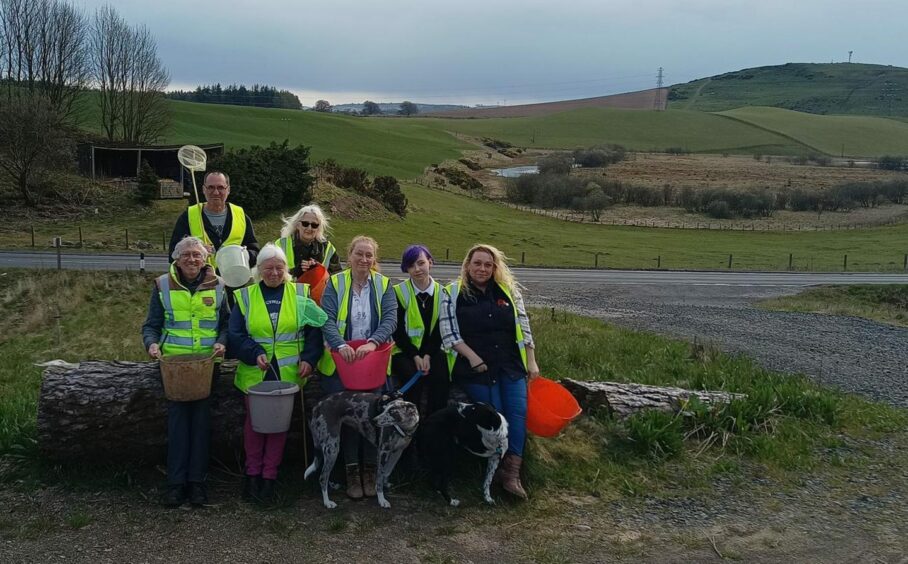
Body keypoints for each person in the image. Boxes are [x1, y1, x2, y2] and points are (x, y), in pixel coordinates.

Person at [439, 244, 540, 500]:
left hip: (509, 364)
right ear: (467, 265)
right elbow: (449, 335)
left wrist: (531, 360)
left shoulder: (508, 292)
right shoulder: (453, 292)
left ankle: (511, 474)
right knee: (496, 413)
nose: (482, 269)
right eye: (477, 263)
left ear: (495, 268)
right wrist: (473, 358)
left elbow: (523, 327)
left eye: (488, 264)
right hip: (475, 368)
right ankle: (492, 469)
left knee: (517, 412)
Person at [228, 243, 324, 504]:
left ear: (286, 270)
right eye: (268, 268)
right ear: (259, 270)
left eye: (279, 268)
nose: (274, 273)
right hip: (254, 373)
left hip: (289, 373)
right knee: (255, 426)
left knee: (278, 427)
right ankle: (252, 475)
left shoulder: (301, 293)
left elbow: (315, 330)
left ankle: (269, 478)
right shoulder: (245, 296)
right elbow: (234, 334)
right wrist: (252, 351)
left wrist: (310, 359)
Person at [141, 236, 229, 507]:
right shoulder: (162, 285)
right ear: (176, 259)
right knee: (178, 426)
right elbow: (151, 325)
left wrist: (222, 342)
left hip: (205, 366)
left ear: (205, 260)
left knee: (201, 426)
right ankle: (176, 485)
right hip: (174, 369)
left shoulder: (219, 286)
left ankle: (197, 484)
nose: (192, 259)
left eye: (197, 255)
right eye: (187, 255)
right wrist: (151, 344)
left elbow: (226, 325)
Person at [318, 235, 397, 501]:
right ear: (349, 255)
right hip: (342, 362)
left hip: (372, 362)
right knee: (347, 417)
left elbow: (390, 318)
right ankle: (351, 471)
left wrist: (373, 342)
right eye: (359, 254)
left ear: (374, 259)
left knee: (374, 417)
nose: (364, 259)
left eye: (369, 255)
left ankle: (371, 471)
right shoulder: (335, 283)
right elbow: (325, 318)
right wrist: (340, 345)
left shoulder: (384, 285)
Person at [391, 244, 448, 417]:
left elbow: (440, 329)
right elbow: (397, 330)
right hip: (405, 350)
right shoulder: (398, 292)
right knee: (411, 381)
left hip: (433, 350)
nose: (417, 269)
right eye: (411, 265)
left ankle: (434, 428)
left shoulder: (443, 293)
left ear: (430, 262)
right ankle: (410, 432)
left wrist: (428, 356)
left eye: (421, 263)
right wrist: (415, 356)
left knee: (441, 380)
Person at [168, 171, 260, 268]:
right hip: (200, 281)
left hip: (233, 280)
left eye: (220, 187)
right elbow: (173, 254)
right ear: (204, 189)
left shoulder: (241, 216)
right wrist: (197, 253)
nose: (216, 192)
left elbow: (255, 252)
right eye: (211, 187)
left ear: (228, 190)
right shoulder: (188, 216)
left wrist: (241, 255)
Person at [275, 204, 342, 278]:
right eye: (305, 224)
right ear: (297, 225)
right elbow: (272, 274)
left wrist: (317, 270)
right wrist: (295, 271)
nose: (309, 228)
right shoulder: (281, 245)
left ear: (319, 228)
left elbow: (337, 278)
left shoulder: (328, 248)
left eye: (314, 225)